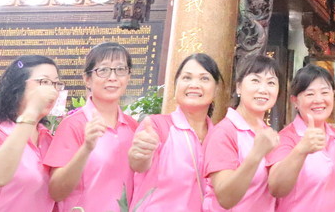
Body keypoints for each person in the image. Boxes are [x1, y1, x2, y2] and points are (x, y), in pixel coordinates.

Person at [0, 56, 62, 212]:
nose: (52, 90)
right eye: (44, 82)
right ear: (18, 86)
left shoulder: (49, 140)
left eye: (56, 84)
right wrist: (31, 112)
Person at [46, 42, 138, 212]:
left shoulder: (133, 127)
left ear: (128, 77)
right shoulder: (73, 125)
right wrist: (86, 148)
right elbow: (56, 191)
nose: (113, 77)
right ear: (87, 79)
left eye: (120, 69)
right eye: (103, 70)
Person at [128, 53, 224, 211]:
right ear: (175, 86)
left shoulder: (220, 138)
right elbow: (139, 164)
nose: (194, 84)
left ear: (216, 89)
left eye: (204, 78)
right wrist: (140, 155)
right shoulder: (157, 126)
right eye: (187, 78)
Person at [267, 64, 335, 211]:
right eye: (310, 94)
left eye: (325, 92)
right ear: (295, 101)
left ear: (333, 94)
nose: (318, 100)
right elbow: (276, 188)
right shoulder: (286, 139)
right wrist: (301, 150)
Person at [204, 54, 281, 211]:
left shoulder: (269, 134)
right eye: (255, 80)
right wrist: (256, 154)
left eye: (271, 83)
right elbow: (225, 197)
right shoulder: (225, 132)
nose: (263, 89)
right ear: (239, 87)